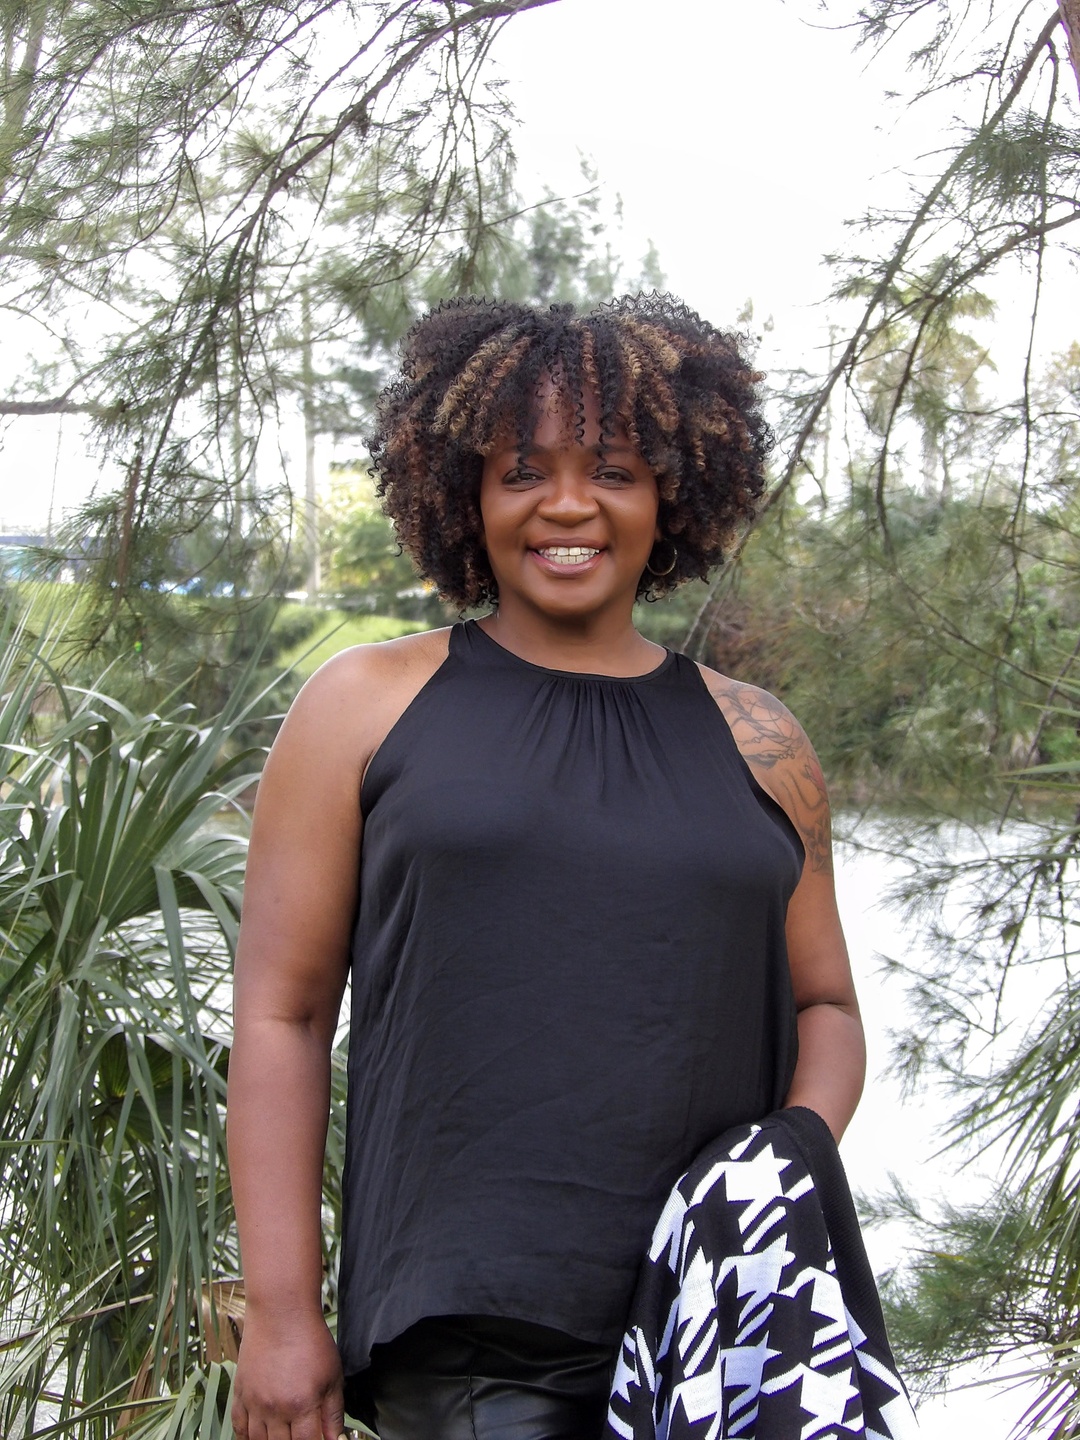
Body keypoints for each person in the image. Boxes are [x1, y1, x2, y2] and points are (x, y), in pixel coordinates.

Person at [227, 294, 865, 1440]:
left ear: (672, 491)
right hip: (474, 1336)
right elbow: (283, 1013)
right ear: (463, 493)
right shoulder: (361, 707)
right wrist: (281, 1314)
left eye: (613, 470)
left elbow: (826, 1005)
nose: (568, 504)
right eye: (523, 470)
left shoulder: (762, 740)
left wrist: (776, 1179)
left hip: (720, 1332)